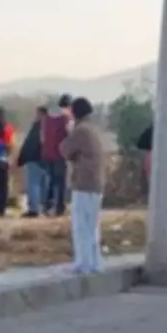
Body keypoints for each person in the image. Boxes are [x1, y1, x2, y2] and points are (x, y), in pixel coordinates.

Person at [60, 97, 105, 275]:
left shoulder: (80, 131)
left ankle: (83, 263)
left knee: (81, 225)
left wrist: (68, 132)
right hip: (96, 182)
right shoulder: (92, 129)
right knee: (93, 226)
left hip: (83, 182)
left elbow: (64, 150)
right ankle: (94, 262)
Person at [41, 93, 73, 216]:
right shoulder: (67, 117)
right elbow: (71, 134)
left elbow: (42, 137)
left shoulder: (48, 117)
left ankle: (47, 205)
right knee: (61, 182)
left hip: (48, 153)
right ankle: (60, 207)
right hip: (61, 154)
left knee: (51, 180)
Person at [16, 105, 48, 218]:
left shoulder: (37, 126)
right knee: (45, 184)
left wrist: (21, 158)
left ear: (41, 114)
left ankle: (34, 209)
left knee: (33, 184)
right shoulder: (52, 127)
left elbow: (29, 144)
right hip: (48, 160)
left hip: (34, 159)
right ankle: (46, 207)